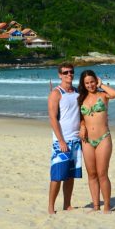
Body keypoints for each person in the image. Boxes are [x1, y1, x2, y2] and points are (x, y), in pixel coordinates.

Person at [77, 70, 115, 213]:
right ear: (83, 84)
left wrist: (102, 85)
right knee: (92, 174)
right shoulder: (81, 98)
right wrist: (82, 126)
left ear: (96, 81)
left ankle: (107, 205)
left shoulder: (103, 95)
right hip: (87, 140)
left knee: (102, 173)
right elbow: (81, 117)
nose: (90, 85)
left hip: (103, 139)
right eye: (87, 83)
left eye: (92, 82)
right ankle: (96, 206)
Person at [47, 63, 82, 214]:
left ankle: (67, 204)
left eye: (71, 72)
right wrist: (61, 141)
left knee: (70, 175)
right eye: (65, 72)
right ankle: (51, 206)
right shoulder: (56, 93)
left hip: (76, 140)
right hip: (61, 141)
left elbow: (81, 114)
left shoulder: (77, 92)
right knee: (57, 175)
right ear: (60, 75)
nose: (69, 74)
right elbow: (53, 119)